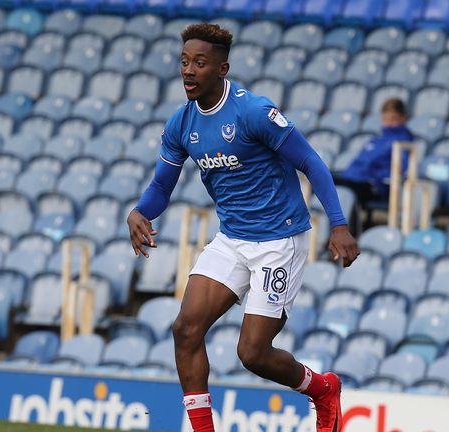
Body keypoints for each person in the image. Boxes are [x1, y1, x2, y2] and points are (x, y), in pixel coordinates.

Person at [126, 24, 360, 432]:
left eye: (200, 63)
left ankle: (323, 389)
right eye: (184, 62)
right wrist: (140, 212)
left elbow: (311, 162)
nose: (188, 71)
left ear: (222, 68)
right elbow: (162, 185)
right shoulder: (182, 123)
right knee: (185, 328)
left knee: (252, 353)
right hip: (233, 237)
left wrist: (338, 225)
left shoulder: (253, 112)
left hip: (279, 238)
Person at [335, 98, 414, 206]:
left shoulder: (403, 143)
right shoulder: (376, 141)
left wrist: (375, 179)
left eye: (393, 119)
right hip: (354, 179)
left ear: (403, 119)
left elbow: (398, 170)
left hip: (371, 186)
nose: (389, 123)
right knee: (317, 178)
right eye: (385, 119)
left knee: (327, 185)